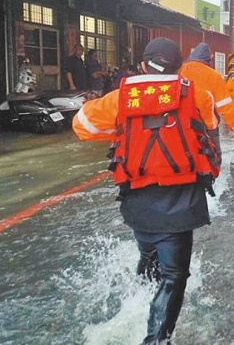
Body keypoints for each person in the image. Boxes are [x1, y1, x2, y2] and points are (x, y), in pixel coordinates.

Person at [72, 37, 220, 345]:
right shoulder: (198, 95)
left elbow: (81, 126)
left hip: (137, 200)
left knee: (150, 257)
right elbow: (208, 128)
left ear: (142, 65)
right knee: (174, 277)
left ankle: (137, 301)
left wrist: (126, 124)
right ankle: (155, 340)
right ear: (180, 67)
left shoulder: (121, 98)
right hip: (181, 201)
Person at [180, 43, 234, 157]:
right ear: (209, 59)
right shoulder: (214, 75)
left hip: (181, 124)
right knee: (213, 157)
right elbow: (224, 105)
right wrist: (233, 126)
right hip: (208, 125)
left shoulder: (179, 70)